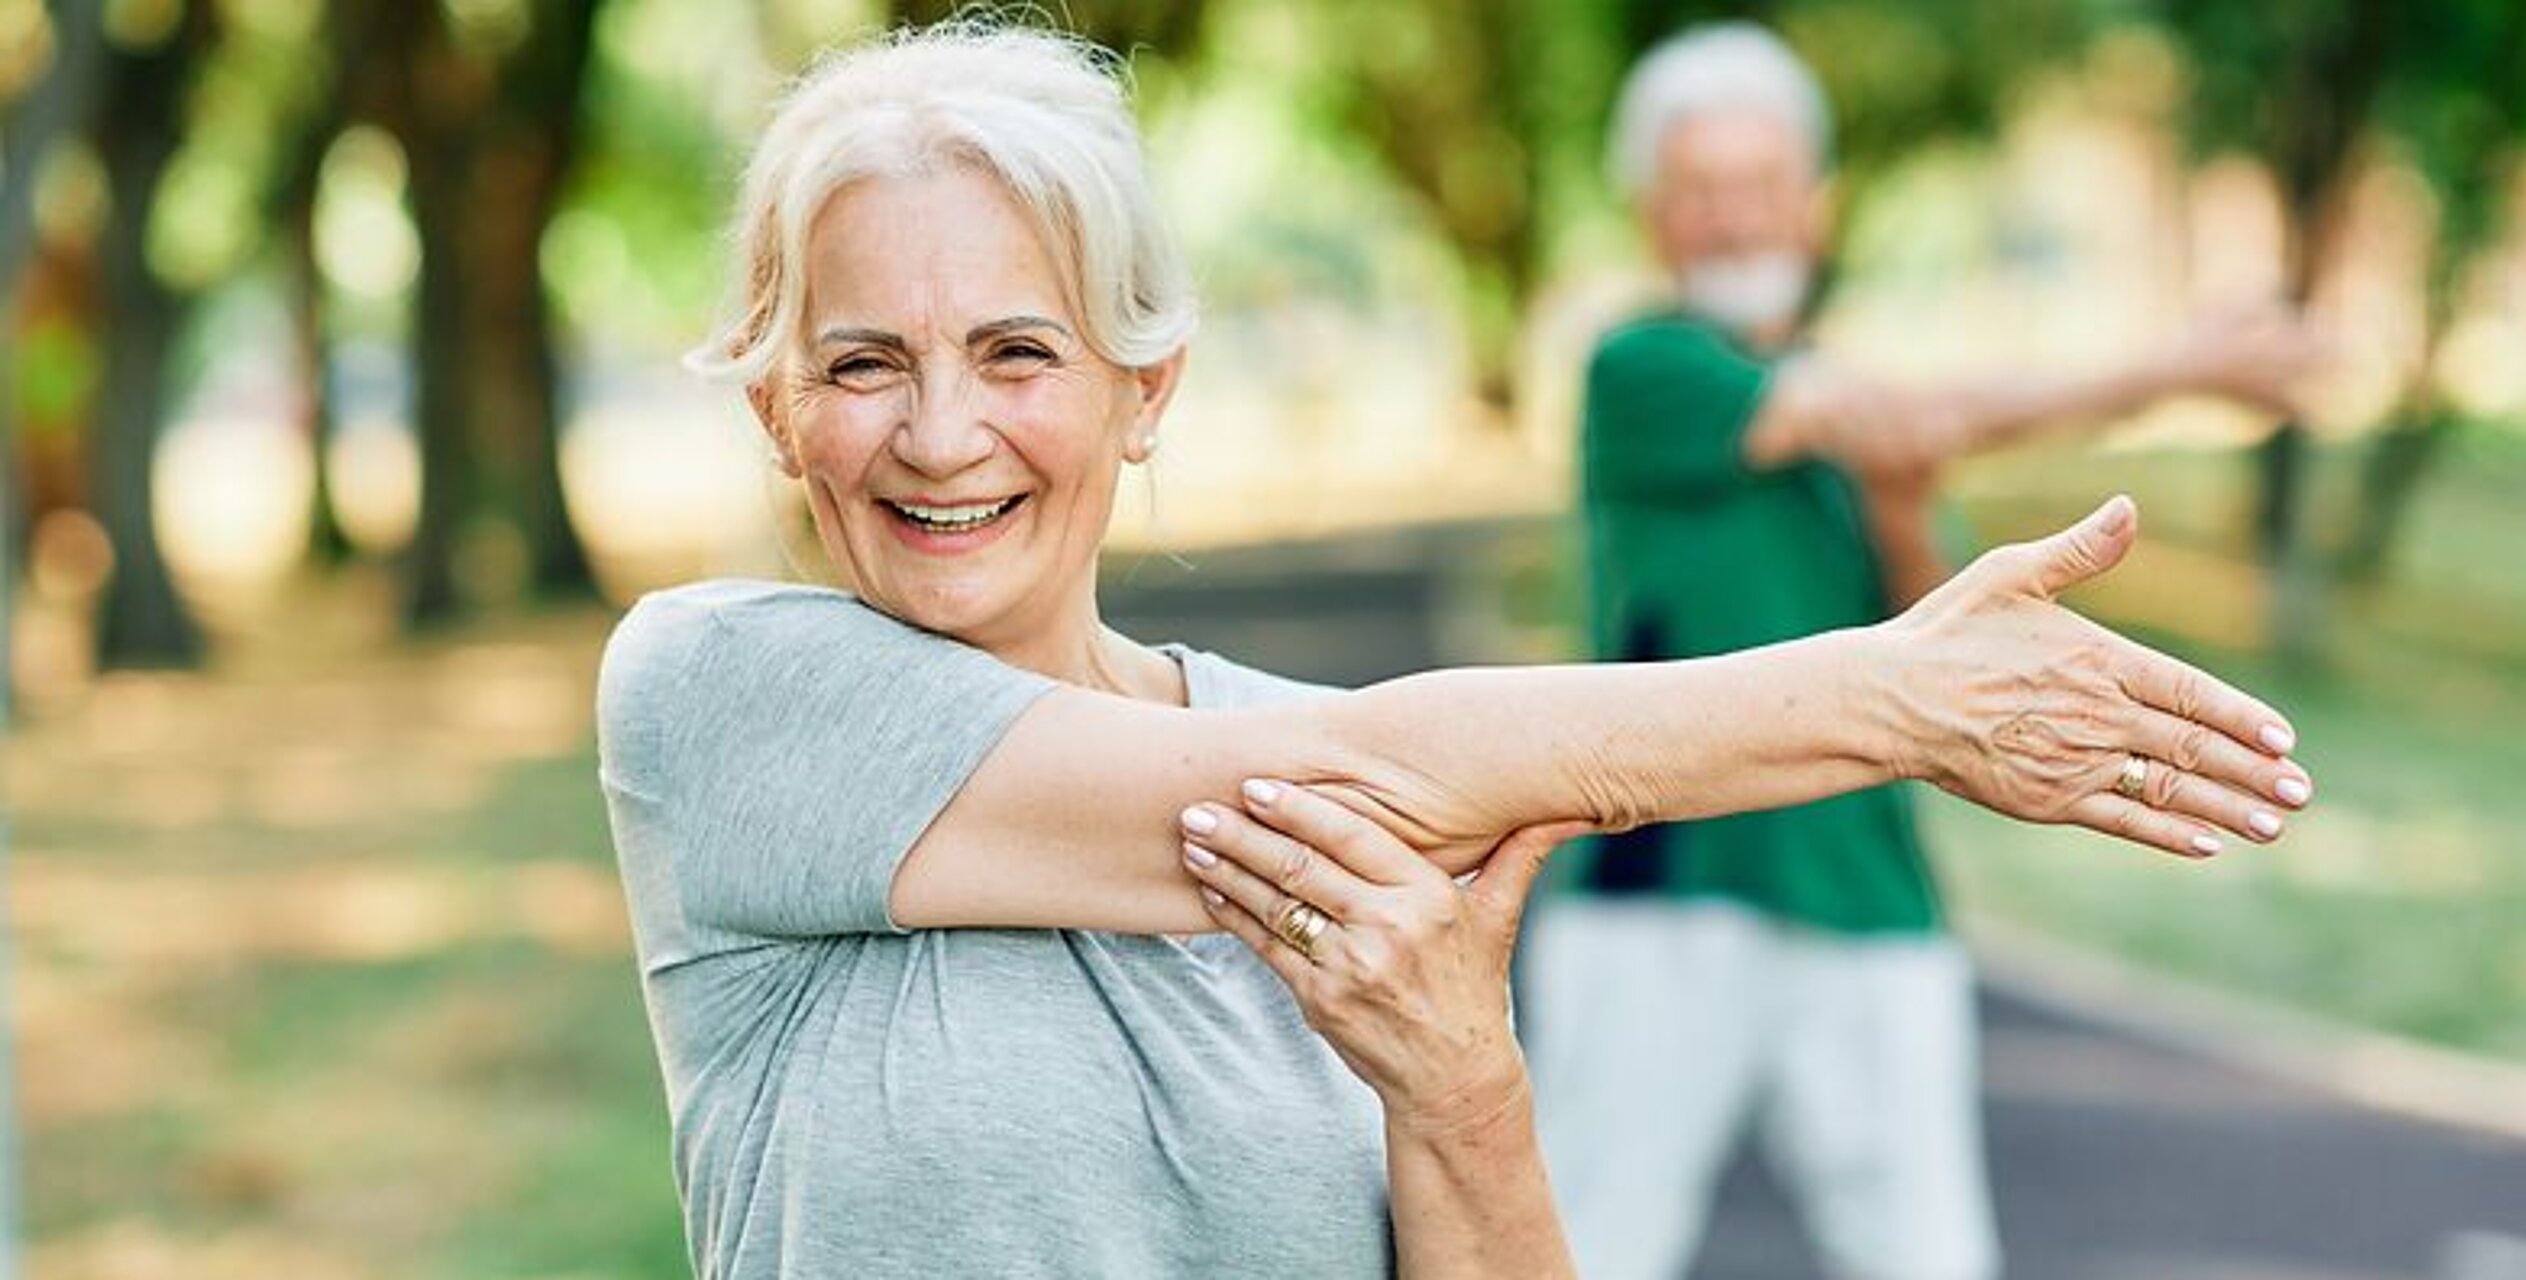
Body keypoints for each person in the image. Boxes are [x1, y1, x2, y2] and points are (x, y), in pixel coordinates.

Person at [593, 20, 2314, 1278]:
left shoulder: (1355, 781)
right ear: (776, 409)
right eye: (864, 364)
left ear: (1147, 391)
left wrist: (1468, 1094)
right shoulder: (720, 696)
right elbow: (1349, 776)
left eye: (1018, 351)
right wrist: (1891, 697)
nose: (940, 433)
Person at [1522, 23, 2323, 1280]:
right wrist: (2175, 368)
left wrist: (1901, 495)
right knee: (1583, 1245)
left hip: (1867, 890)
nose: (1733, 222)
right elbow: (1889, 412)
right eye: (1700, 192)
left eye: (1760, 188)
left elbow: (1932, 622)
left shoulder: (1863, 415)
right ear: (1650, 216)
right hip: (1658, 890)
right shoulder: (1647, 370)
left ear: (1816, 206)